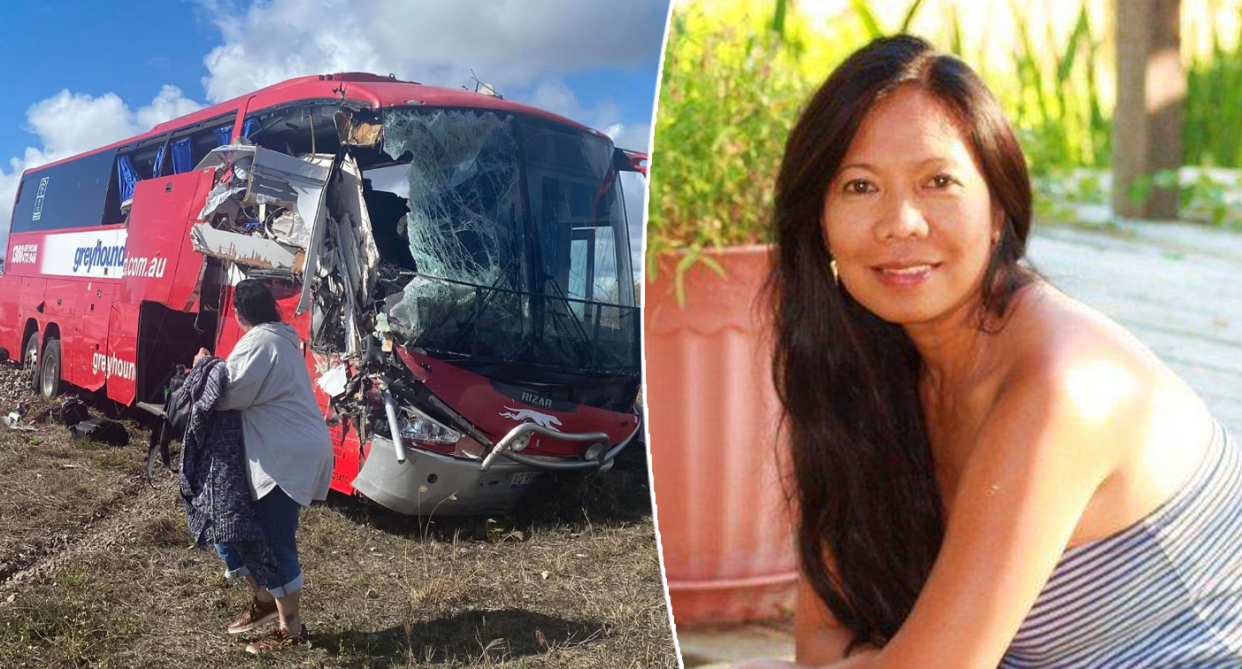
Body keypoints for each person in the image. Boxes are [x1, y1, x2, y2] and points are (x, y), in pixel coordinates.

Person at [739, 35, 1242, 668]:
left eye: (938, 181)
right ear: (819, 221)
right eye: (860, 187)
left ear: (999, 207)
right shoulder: (866, 372)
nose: (901, 222)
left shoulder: (1064, 384)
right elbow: (822, 644)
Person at [194, 279, 334, 654]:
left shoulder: (260, 341)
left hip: (285, 456)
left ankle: (293, 633)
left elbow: (227, 395)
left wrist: (203, 367)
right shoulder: (279, 338)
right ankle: (262, 605)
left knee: (274, 541)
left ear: (239, 313)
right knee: (248, 530)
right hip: (292, 449)